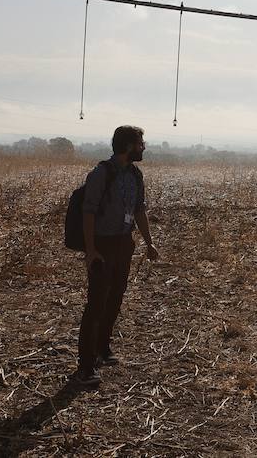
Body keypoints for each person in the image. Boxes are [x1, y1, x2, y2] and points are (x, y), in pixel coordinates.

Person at [74, 125, 160, 388]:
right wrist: (91, 249)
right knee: (96, 304)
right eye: (140, 143)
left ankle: (103, 348)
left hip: (124, 244)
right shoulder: (101, 174)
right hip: (102, 245)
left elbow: (139, 210)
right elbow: (88, 212)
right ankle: (85, 367)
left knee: (115, 298)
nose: (143, 148)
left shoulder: (135, 174)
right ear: (129, 146)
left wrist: (149, 243)